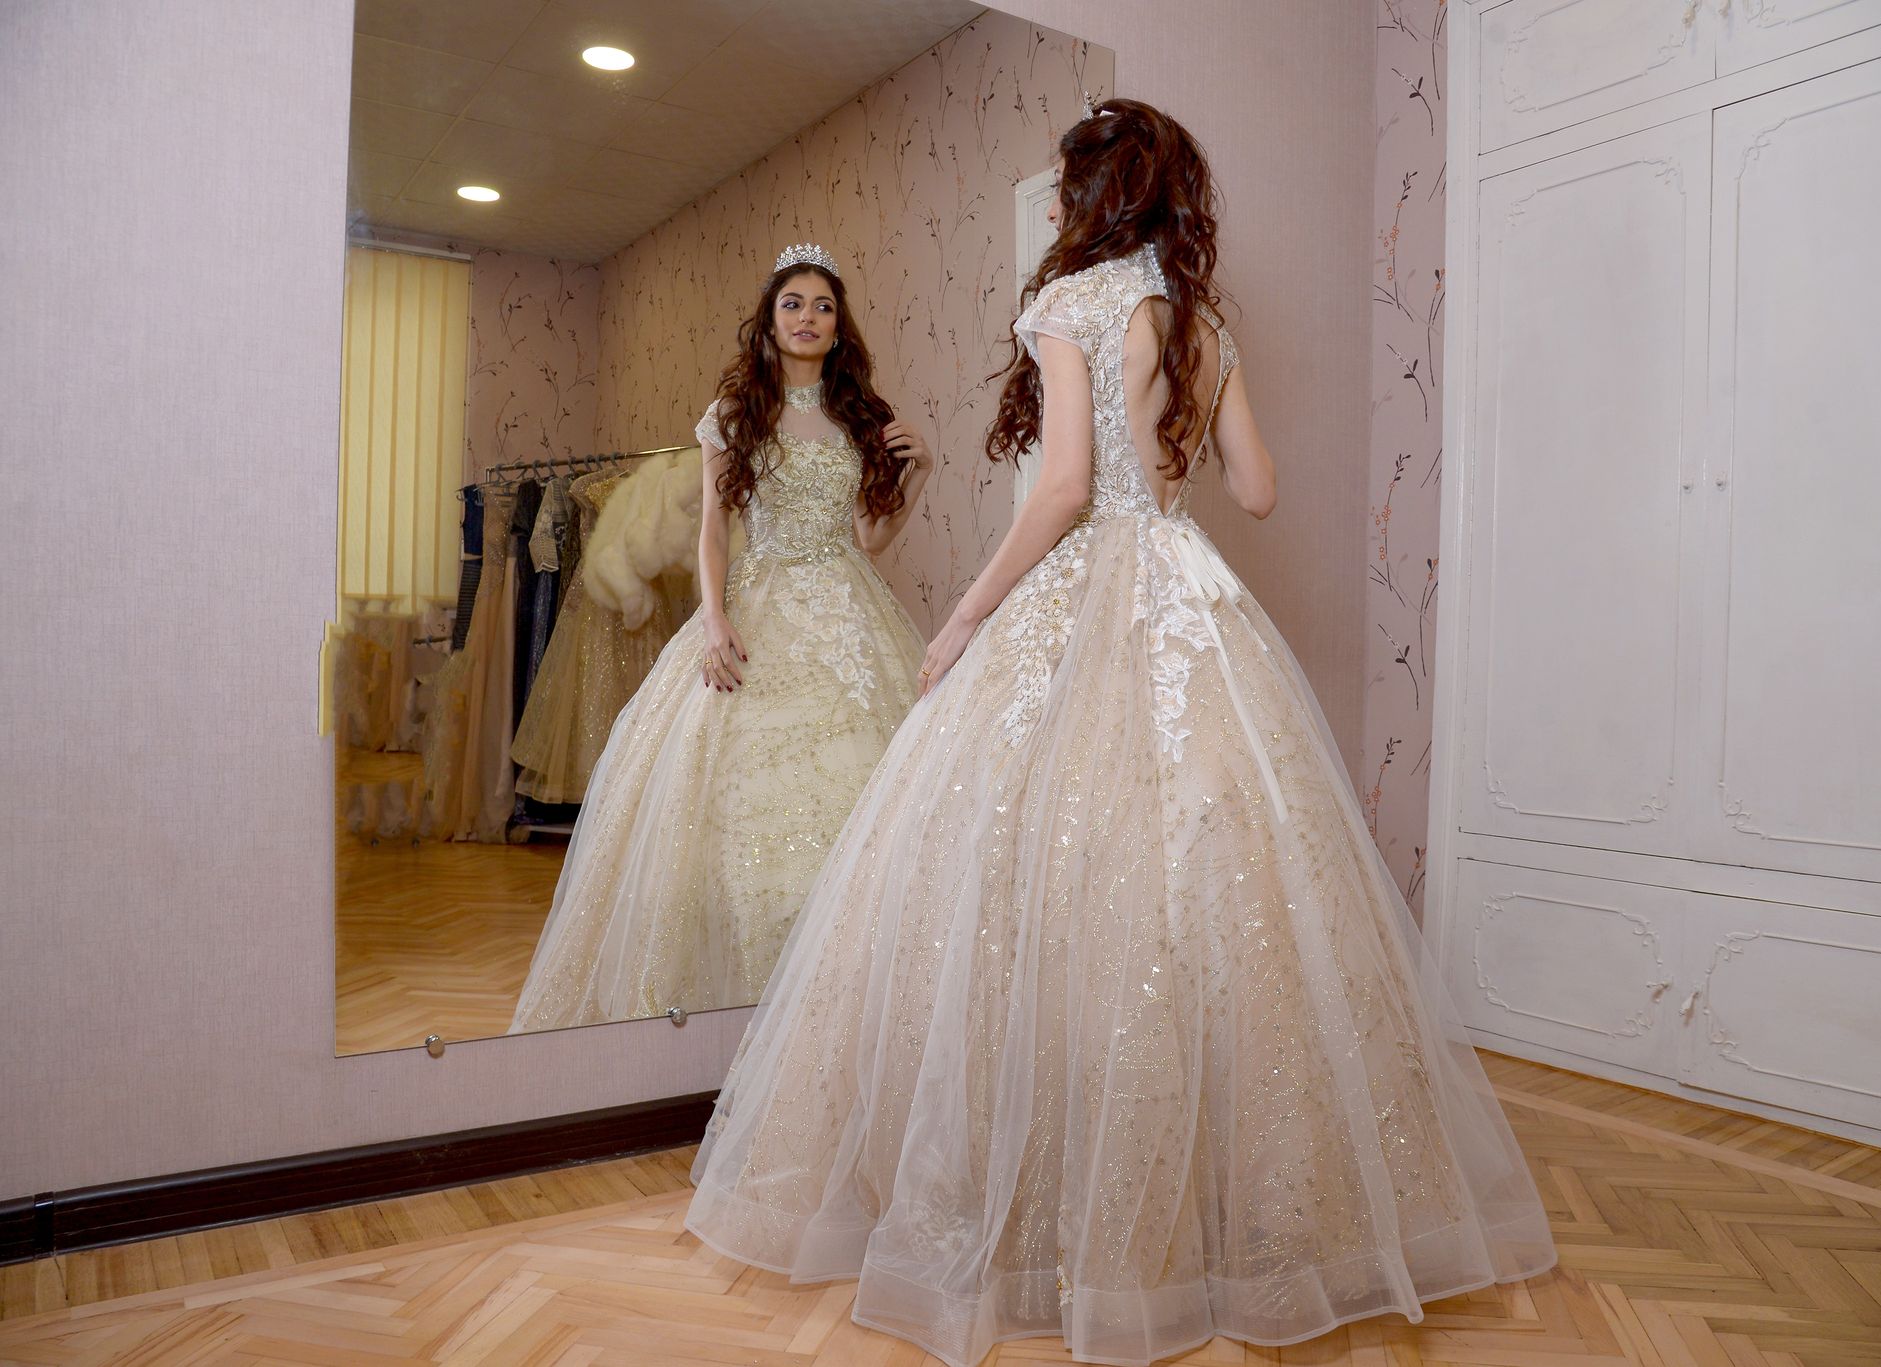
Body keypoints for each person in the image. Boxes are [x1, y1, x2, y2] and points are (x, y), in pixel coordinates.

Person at [683, 104, 1557, 1367]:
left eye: (1063, 185)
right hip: (1187, 589)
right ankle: (1227, 1216)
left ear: (1095, 193)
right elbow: (1255, 490)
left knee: (1037, 868)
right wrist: (1177, 444)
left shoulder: (1071, 301)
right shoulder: (1202, 321)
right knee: (1204, 878)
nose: (1052, 204)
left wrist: (964, 617)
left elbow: (1059, 489)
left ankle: (1046, 1205)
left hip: (1079, 586)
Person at [508, 244, 930, 1031]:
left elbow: (870, 539)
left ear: (839, 328)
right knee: (737, 809)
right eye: (793, 304)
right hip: (758, 604)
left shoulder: (859, 416)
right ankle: (735, 1010)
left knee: (859, 802)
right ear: (769, 322)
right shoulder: (734, 415)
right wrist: (714, 615)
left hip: (848, 613)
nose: (808, 317)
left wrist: (918, 474)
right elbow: (712, 528)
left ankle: (830, 1008)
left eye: (824, 306)